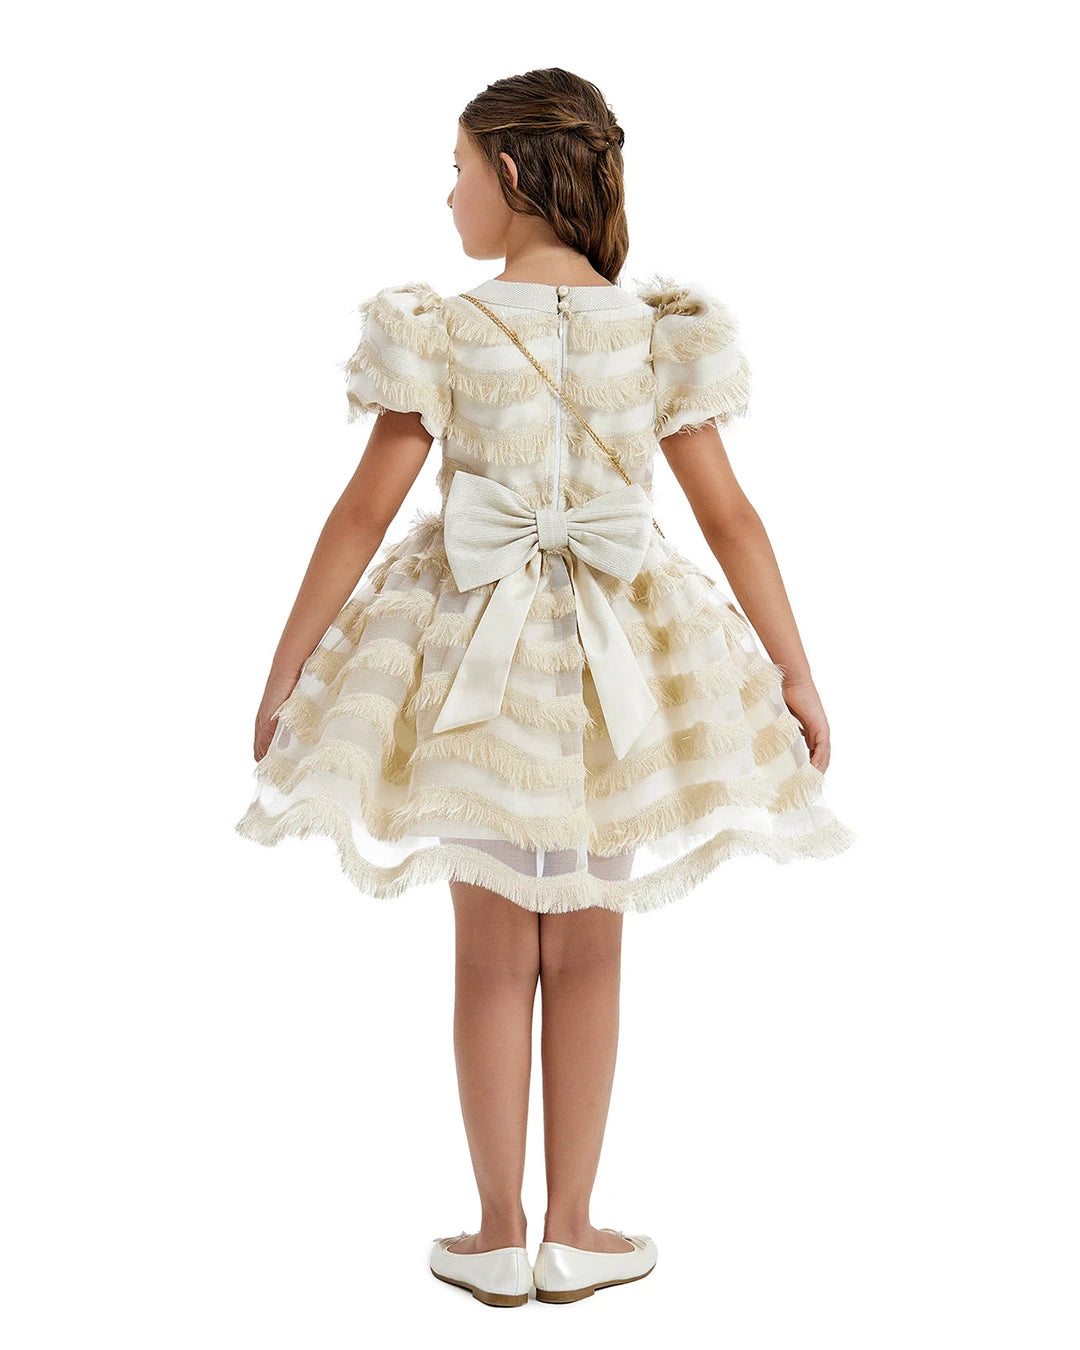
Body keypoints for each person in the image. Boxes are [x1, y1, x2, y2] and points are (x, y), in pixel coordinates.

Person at [235, 67, 855, 1305]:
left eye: (457, 169)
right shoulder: (657, 333)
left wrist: (289, 659)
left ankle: (497, 1231)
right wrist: (794, 669)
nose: (447, 194)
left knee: (486, 955)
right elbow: (729, 518)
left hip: (476, 663)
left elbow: (365, 511)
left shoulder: (443, 330)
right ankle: (574, 1229)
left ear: (511, 174)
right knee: (588, 946)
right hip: (623, 664)